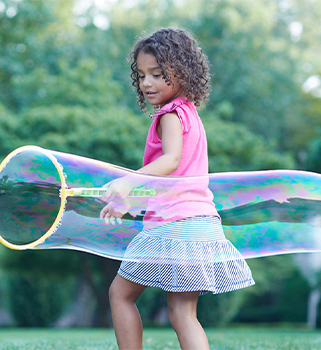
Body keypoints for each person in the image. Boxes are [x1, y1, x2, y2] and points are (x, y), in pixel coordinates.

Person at [100, 27, 255, 350]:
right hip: (200, 224)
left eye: (157, 74)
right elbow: (175, 180)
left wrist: (128, 180)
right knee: (183, 313)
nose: (146, 83)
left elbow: (170, 161)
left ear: (182, 72)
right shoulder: (189, 114)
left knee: (120, 294)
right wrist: (129, 198)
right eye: (141, 75)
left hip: (173, 228)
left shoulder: (170, 115)